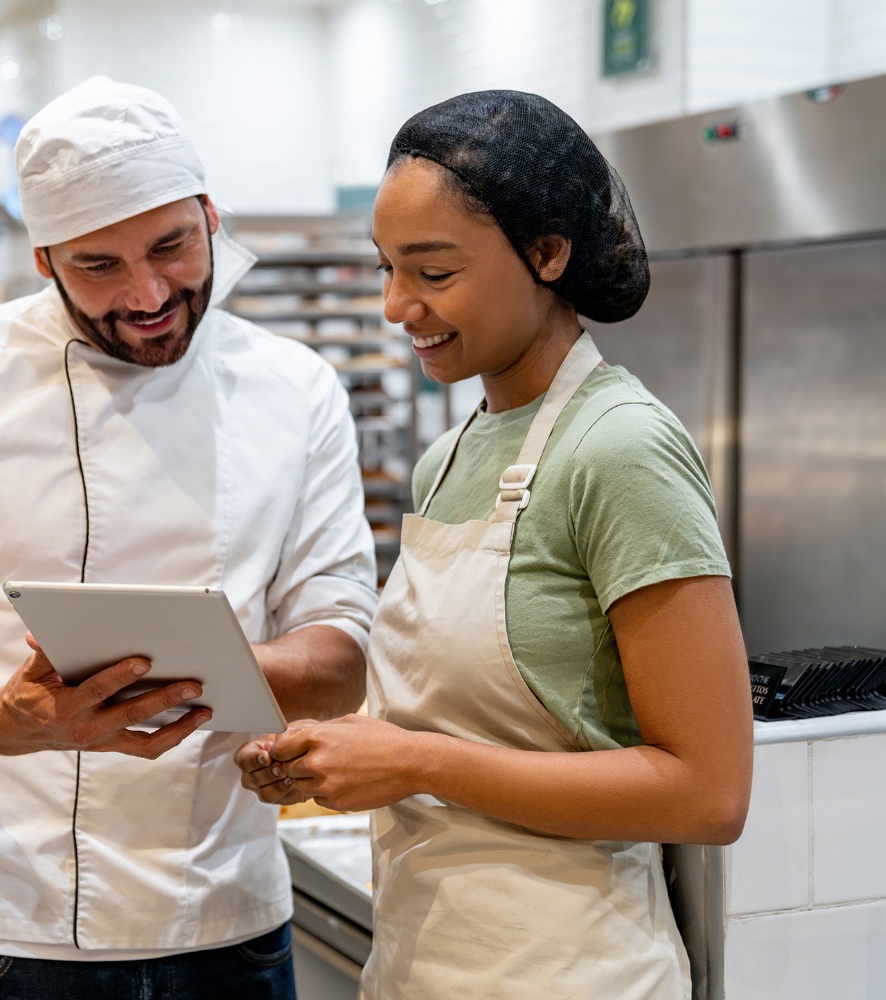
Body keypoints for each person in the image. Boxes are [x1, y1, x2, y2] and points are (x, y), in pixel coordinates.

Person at [0, 76, 378, 998]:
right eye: (99, 266)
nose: (147, 294)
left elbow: (344, 651)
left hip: (228, 922)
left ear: (212, 215)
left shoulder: (295, 388)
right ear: (43, 258)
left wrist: (207, 680)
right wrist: (4, 722)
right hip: (0, 928)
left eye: (172, 247)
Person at [238, 91, 754, 1000]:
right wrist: (331, 751)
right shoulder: (453, 453)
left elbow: (707, 792)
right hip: (427, 961)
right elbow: (467, 715)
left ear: (548, 253)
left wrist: (411, 762)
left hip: (569, 969)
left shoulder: (621, 447)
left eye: (433, 273)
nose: (399, 306)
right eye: (387, 269)